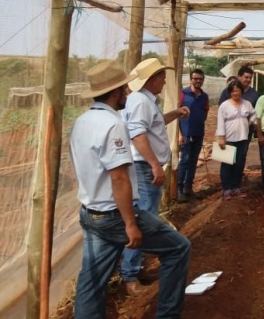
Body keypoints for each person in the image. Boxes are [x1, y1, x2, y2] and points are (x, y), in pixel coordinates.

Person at [70, 61, 191, 319]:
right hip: (114, 214)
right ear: (115, 92)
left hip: (91, 212)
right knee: (178, 248)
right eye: (124, 88)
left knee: (91, 281)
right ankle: (168, 314)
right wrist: (130, 224)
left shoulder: (82, 121)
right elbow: (120, 179)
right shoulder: (112, 124)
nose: (128, 91)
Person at [121, 58, 190, 292]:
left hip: (145, 166)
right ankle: (130, 275)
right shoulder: (140, 101)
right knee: (143, 220)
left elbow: (155, 124)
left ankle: (136, 269)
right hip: (143, 167)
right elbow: (137, 134)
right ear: (151, 80)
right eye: (161, 76)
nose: (164, 80)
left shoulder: (147, 100)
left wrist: (176, 113)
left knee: (147, 218)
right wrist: (154, 165)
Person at [216, 79, 257, 200]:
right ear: (230, 92)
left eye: (238, 91)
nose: (235, 93)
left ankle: (236, 187)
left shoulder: (247, 104)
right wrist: (221, 138)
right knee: (227, 164)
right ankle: (226, 189)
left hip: (243, 138)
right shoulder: (224, 106)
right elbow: (220, 122)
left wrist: (248, 124)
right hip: (228, 139)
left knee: (239, 164)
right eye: (233, 91)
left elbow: (254, 115)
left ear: (241, 91)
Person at [177, 68, 210, 203]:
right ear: (191, 79)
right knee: (184, 160)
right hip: (185, 134)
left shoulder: (204, 96)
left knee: (193, 161)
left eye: (200, 79)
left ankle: (188, 188)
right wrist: (179, 134)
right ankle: (178, 189)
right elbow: (176, 115)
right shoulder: (183, 94)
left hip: (198, 133)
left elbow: (205, 113)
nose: (198, 81)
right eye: (195, 78)